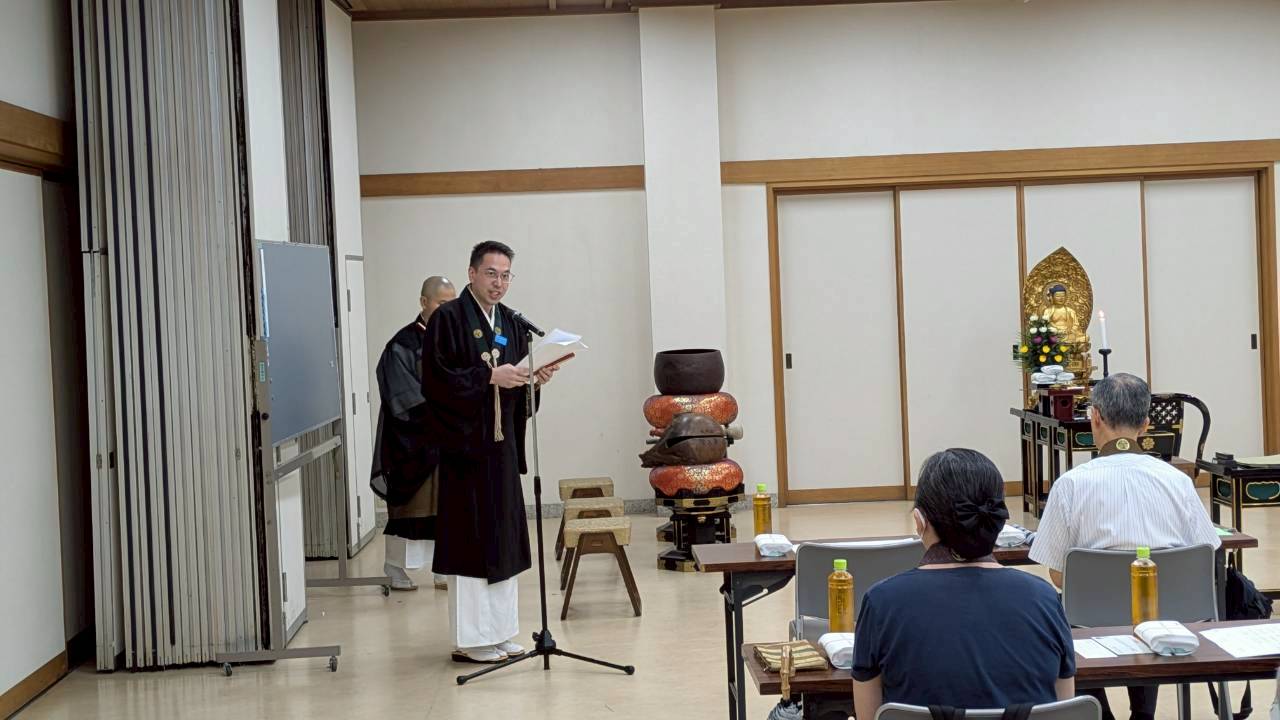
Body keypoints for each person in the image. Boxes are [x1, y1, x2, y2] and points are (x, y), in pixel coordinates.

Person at [1030, 372, 1221, 720]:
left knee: (1061, 611)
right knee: (1150, 605)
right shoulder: (1177, 481)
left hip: (1089, 619)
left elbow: (1058, 575)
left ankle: (1098, 712)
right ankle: (1144, 713)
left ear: (1095, 418)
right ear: (1146, 425)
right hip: (1170, 616)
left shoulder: (1070, 484)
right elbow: (1205, 556)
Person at [852, 449, 1075, 718]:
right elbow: (1064, 708)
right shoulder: (1044, 598)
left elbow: (869, 715)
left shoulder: (882, 602)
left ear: (919, 522)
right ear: (998, 523)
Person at [421, 240, 558, 664]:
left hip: (500, 448)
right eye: (491, 274)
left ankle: (501, 633)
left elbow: (515, 385)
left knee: (503, 538)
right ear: (472, 273)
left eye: (505, 275)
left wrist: (533, 379)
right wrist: (487, 378)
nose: (498, 283)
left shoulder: (511, 323)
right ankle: (472, 640)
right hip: (466, 450)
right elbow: (435, 382)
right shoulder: (448, 319)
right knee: (472, 540)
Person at [370, 276, 456, 591]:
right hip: (411, 441)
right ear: (424, 302)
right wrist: (441, 412)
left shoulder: (454, 340)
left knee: (446, 506)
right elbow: (401, 395)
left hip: (446, 438)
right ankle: (394, 567)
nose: (448, 310)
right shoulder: (402, 344)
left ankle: (443, 568)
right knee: (411, 508)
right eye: (441, 303)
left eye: (452, 304)